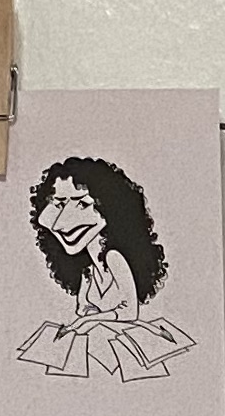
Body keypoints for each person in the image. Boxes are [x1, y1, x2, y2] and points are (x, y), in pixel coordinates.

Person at [17, 155, 193, 381]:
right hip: (98, 347)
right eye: (59, 204)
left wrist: (89, 321)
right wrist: (89, 317)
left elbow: (130, 312)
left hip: (125, 350)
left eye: (83, 204)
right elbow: (83, 307)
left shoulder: (114, 257)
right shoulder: (87, 269)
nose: (61, 222)